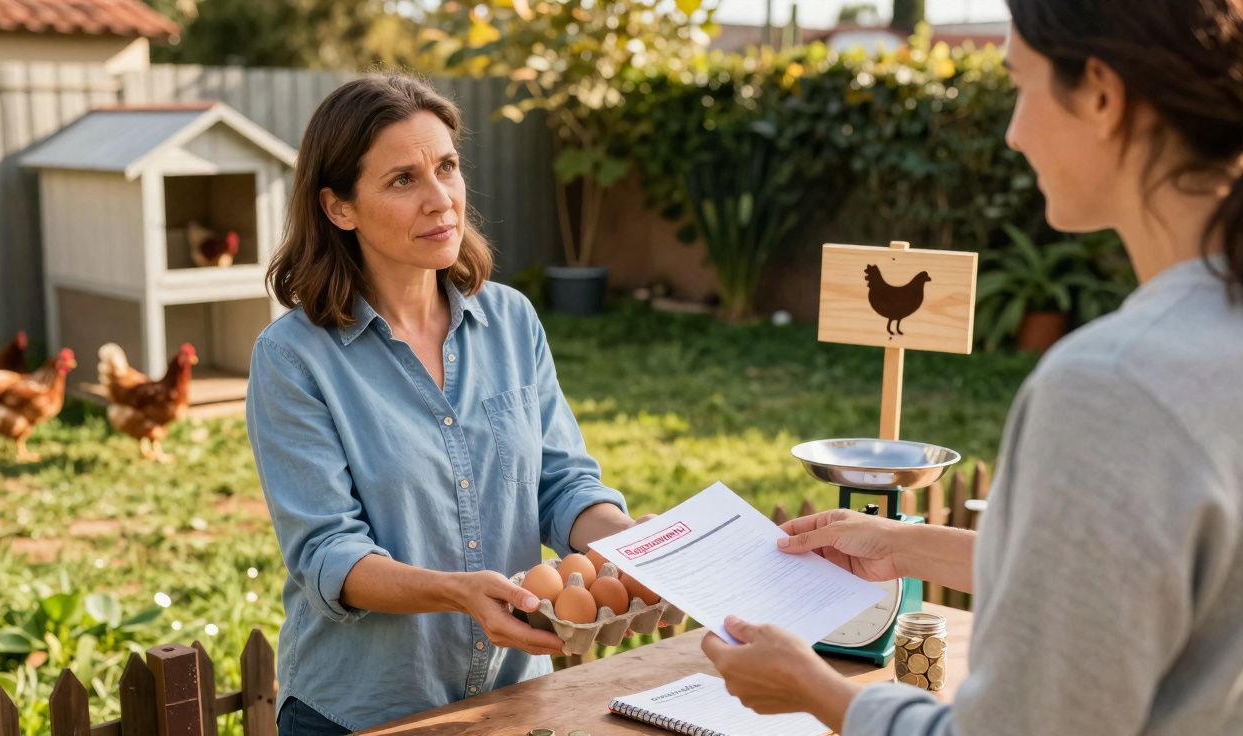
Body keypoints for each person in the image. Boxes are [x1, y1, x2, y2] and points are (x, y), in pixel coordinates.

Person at [703, 1, 1243, 734]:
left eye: (1019, 85)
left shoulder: (1114, 386)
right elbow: (1150, 581)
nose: (1014, 132)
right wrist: (904, 546)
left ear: (1102, 94)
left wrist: (816, 689)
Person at [247, 73, 642, 735]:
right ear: (339, 207)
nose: (442, 201)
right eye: (403, 179)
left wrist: (638, 550)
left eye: (448, 168)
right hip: (360, 715)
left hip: (511, 705)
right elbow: (328, 556)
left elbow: (562, 483)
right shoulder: (293, 359)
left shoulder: (512, 321)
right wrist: (459, 594)